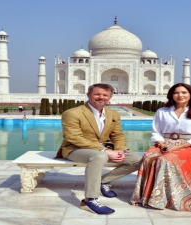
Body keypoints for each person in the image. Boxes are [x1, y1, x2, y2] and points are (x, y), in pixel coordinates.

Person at [55, 83, 142, 215]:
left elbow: (117, 135)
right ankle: (90, 199)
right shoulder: (72, 113)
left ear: (110, 97)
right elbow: (73, 137)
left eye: (105, 95)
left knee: (138, 160)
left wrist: (120, 149)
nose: (101, 97)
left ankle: (103, 181)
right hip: (75, 148)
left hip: (102, 148)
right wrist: (105, 151)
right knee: (99, 156)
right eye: (97, 94)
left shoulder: (113, 114)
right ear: (88, 95)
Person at [130, 83, 191, 211]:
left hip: (190, 146)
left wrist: (180, 146)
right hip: (165, 143)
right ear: (171, 95)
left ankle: (172, 196)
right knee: (148, 157)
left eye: (184, 92)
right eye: (176, 92)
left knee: (165, 160)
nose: (180, 95)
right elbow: (156, 132)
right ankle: (149, 196)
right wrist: (162, 143)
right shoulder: (162, 111)